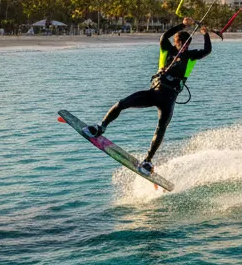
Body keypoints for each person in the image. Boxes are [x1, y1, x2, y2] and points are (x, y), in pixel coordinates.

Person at [88, 16, 212, 174]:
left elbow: (207, 50)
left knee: (161, 128)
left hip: (169, 99)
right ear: (176, 42)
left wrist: (205, 34)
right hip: (154, 92)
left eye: (186, 44)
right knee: (122, 103)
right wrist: (182, 25)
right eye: (181, 43)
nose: (183, 46)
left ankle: (147, 160)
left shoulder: (191, 56)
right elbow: (163, 36)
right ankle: (101, 127)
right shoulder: (167, 50)